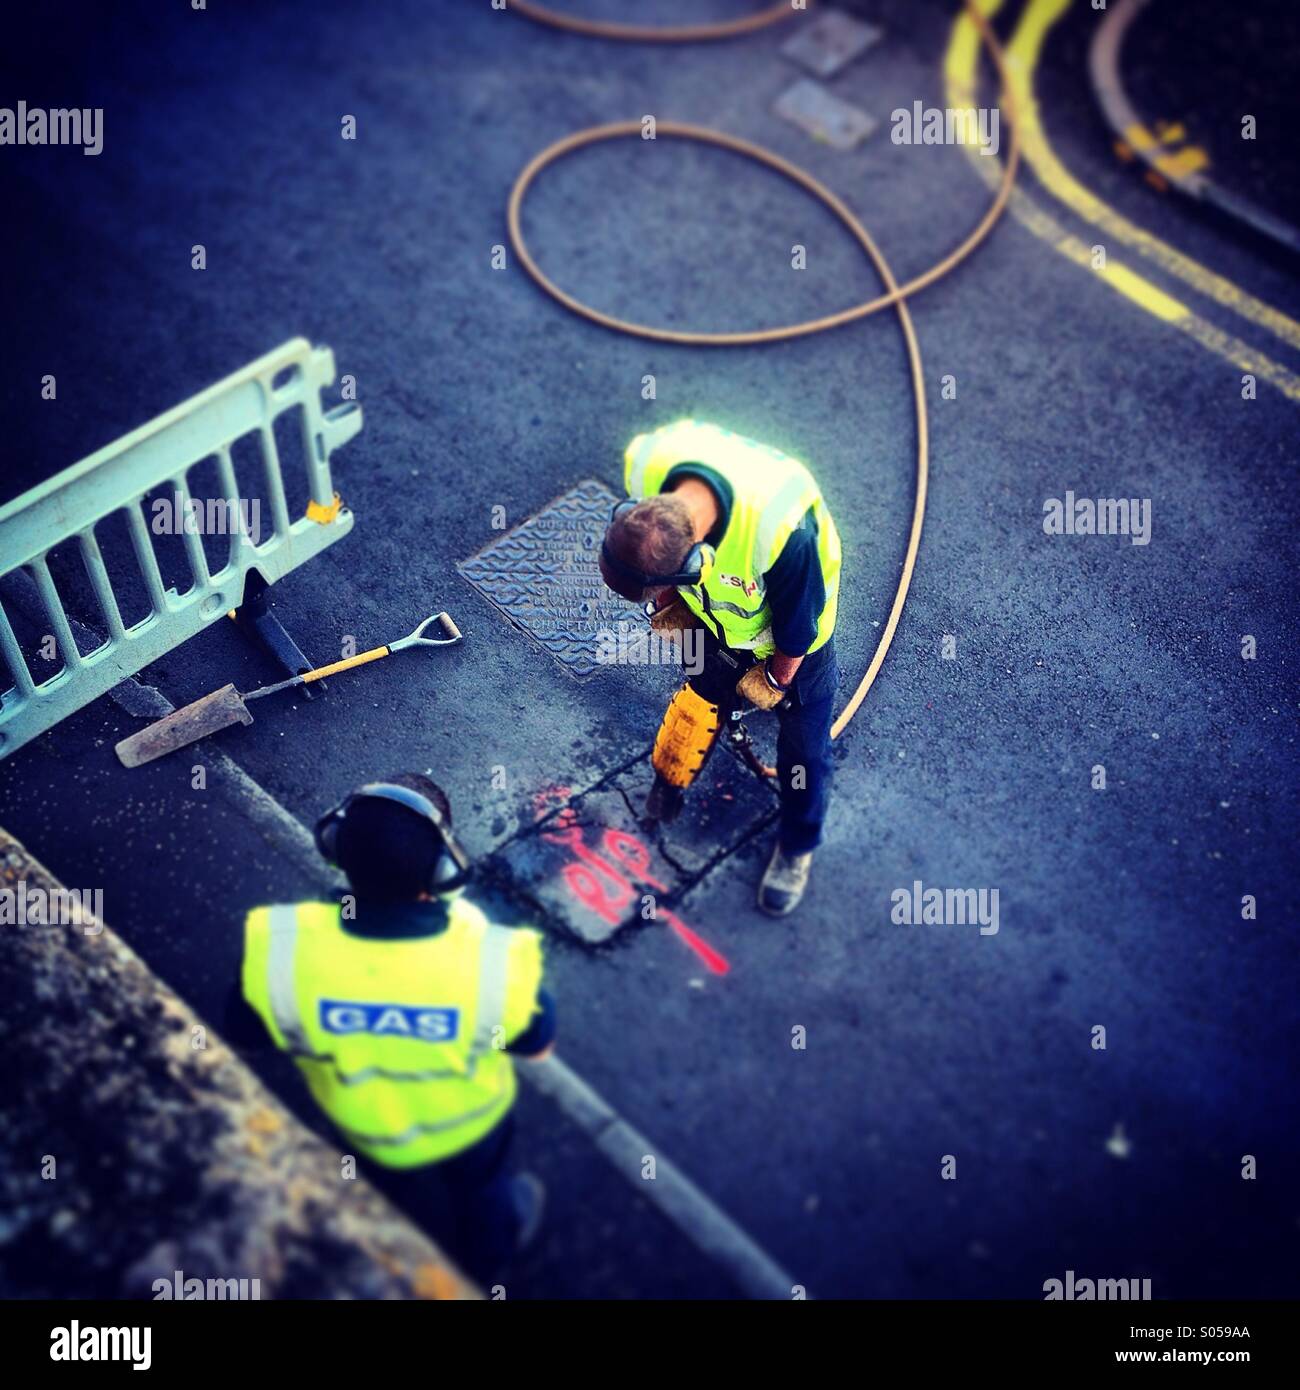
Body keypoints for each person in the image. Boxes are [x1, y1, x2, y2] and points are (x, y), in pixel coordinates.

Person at [224, 772, 555, 1283]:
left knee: (374, 1190)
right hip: (469, 1128)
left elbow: (245, 1037)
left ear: (335, 847)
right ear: (442, 872)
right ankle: (487, 1261)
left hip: (365, 1128)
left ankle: (377, 1240)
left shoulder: (282, 950)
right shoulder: (492, 958)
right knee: (484, 1195)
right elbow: (537, 1047)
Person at [599, 419, 842, 916]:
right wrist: (668, 601)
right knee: (701, 692)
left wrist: (774, 681)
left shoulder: (781, 531)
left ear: (697, 563)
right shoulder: (645, 463)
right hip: (708, 614)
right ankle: (670, 783)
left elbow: (798, 629)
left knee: (804, 748)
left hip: (795, 641)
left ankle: (797, 846)